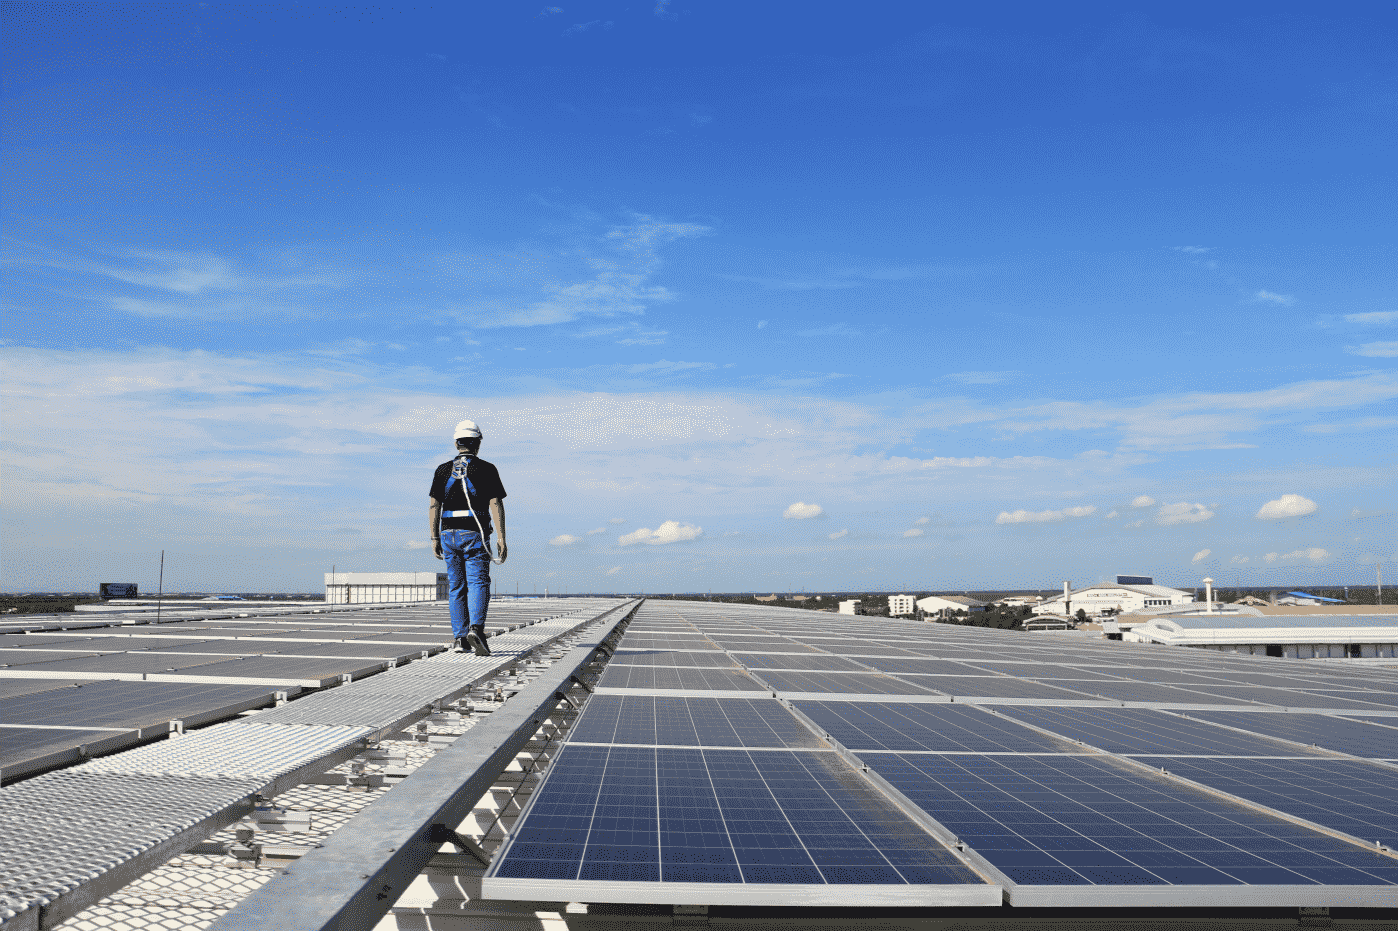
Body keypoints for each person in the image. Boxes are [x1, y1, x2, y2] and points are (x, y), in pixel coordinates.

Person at [429, 420, 508, 655]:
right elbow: (495, 502)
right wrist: (501, 537)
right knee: (478, 582)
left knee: (457, 586)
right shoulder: (487, 469)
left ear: (456, 443)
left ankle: (459, 639)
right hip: (475, 534)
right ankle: (476, 629)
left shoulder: (442, 470)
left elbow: (434, 505)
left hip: (447, 534)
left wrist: (434, 538)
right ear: (478, 443)